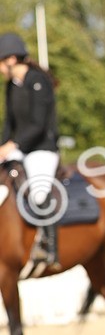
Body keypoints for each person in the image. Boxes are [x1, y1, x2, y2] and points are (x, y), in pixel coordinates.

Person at [0, 31, 62, 268]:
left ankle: (50, 247)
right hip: (20, 148)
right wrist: (2, 147)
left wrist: (13, 145)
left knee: (37, 192)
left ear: (11, 59)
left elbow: (38, 124)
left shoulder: (38, 81)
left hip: (42, 148)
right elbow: (9, 123)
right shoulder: (11, 86)